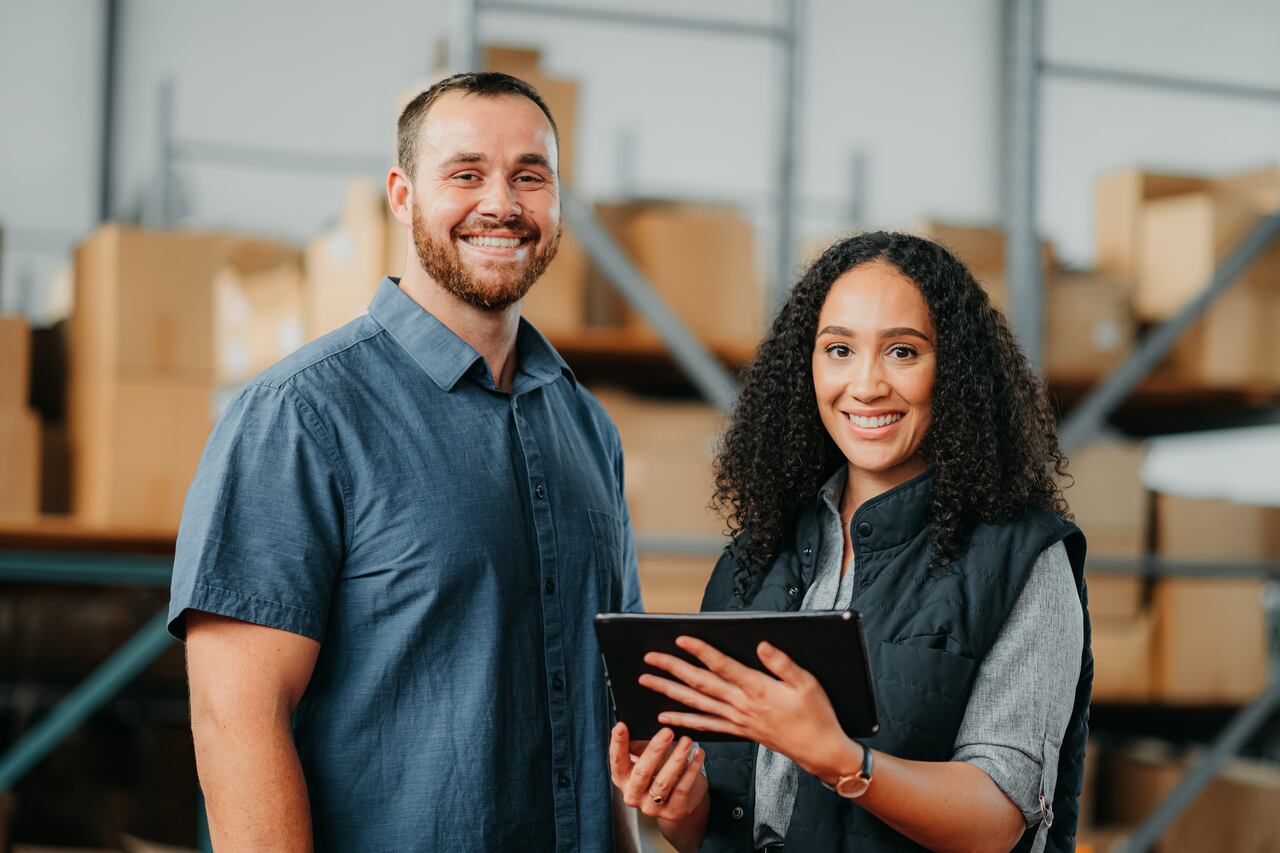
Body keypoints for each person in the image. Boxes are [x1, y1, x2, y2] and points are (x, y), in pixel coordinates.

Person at [169, 72, 643, 852]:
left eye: (531, 175)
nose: (502, 203)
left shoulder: (587, 428)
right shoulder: (301, 415)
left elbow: (604, 705)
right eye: (465, 174)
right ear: (401, 194)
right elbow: (236, 721)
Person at [609, 231, 1092, 853]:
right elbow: (726, 818)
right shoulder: (755, 558)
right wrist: (681, 805)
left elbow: (998, 821)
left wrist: (841, 760)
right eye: (839, 350)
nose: (865, 385)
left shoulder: (1025, 559)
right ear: (804, 367)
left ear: (955, 370)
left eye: (902, 352)